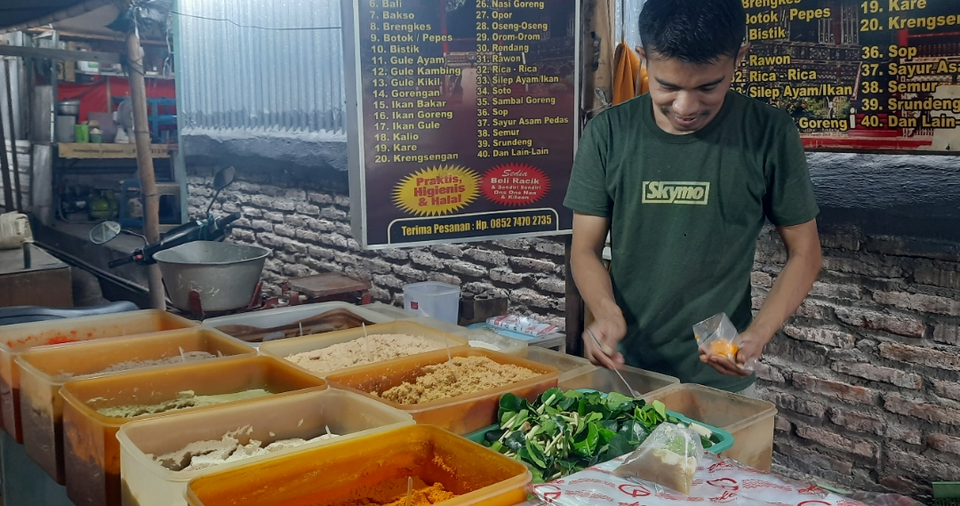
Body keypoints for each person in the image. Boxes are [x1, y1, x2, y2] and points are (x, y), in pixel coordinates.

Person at [564, 0, 823, 395]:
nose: (685, 107)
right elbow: (584, 249)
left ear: (739, 58)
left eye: (708, 86)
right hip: (623, 372)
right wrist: (606, 313)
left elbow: (805, 253)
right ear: (643, 58)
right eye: (666, 86)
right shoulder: (609, 133)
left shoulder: (769, 133)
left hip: (718, 382)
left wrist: (757, 335)